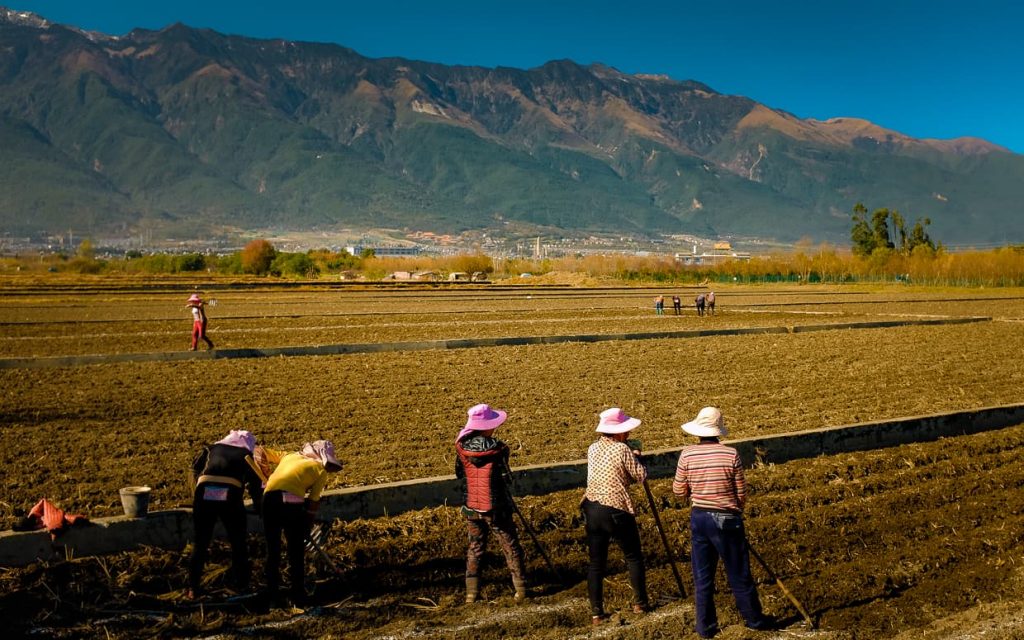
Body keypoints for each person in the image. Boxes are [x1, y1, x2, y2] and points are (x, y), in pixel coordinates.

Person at [673, 407, 775, 638]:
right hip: (727, 518)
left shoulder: (687, 454)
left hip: (699, 517)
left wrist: (694, 491)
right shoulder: (731, 454)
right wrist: (737, 511)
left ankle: (705, 627)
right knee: (739, 573)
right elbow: (741, 492)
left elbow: (678, 490)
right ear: (718, 431)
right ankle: (753, 619)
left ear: (698, 432)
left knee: (703, 576)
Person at [582, 408, 650, 625]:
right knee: (633, 556)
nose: (628, 434)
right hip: (615, 508)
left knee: (596, 563)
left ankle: (596, 612)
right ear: (619, 433)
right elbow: (640, 476)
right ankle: (640, 603)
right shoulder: (622, 450)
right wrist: (637, 459)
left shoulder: (592, 449)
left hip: (592, 507)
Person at [454, 403, 528, 603]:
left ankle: (471, 593)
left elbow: (459, 474)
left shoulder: (461, 447)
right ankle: (520, 590)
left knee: (475, 547)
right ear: (486, 426)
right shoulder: (499, 448)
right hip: (496, 507)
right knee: (510, 546)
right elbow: (506, 477)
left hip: (470, 506)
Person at [259, 440, 342, 605]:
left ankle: (272, 594)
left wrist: (267, 473)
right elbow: (312, 503)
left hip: (269, 500)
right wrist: (306, 525)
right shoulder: (320, 470)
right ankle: (298, 594)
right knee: (295, 550)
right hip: (291, 504)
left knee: (273, 549)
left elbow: (260, 451)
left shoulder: (289, 456)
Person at [188, 429, 263, 599]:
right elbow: (256, 486)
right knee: (238, 542)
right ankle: (242, 585)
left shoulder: (210, 449)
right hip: (230, 494)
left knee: (200, 542)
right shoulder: (247, 455)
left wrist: (196, 494)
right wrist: (260, 508)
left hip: (204, 493)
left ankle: (193, 587)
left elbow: (193, 469)